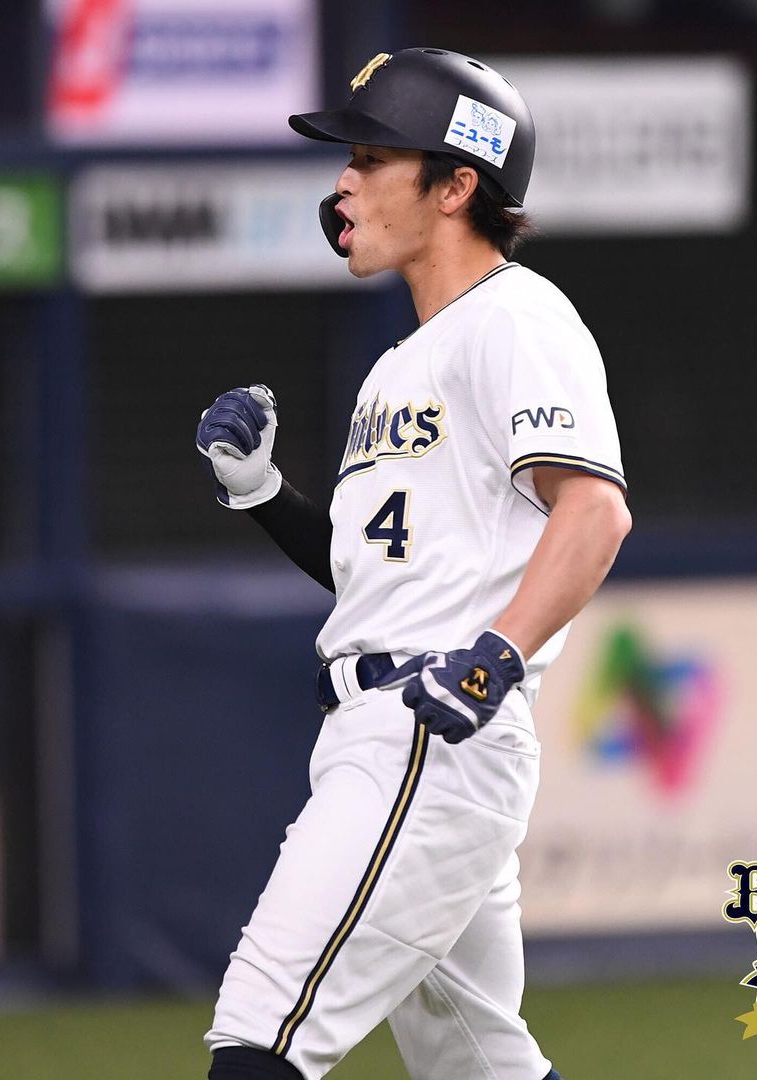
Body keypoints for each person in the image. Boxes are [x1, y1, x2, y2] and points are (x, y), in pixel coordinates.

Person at [196, 48, 631, 1080]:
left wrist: (493, 659)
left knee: (257, 1033)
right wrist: (264, 494)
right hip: (400, 720)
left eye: (369, 157)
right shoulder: (402, 360)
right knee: (478, 1065)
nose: (343, 182)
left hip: (431, 728)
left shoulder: (516, 315)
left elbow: (595, 512)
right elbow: (378, 581)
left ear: (455, 185)